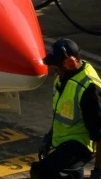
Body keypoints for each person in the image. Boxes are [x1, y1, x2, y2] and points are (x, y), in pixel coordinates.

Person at [31, 39, 101, 179]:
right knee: (70, 175)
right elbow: (60, 112)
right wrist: (49, 136)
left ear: (70, 64)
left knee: (42, 172)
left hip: (82, 145)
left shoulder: (88, 89)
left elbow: (100, 134)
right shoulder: (61, 79)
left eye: (56, 66)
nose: (54, 69)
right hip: (66, 141)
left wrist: (98, 171)